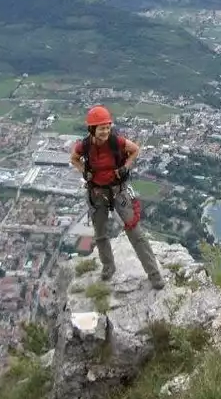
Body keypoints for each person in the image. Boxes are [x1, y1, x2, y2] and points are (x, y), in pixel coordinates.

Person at [70, 105, 165, 289]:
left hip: (118, 191)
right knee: (100, 234)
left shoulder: (116, 142)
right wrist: (84, 171)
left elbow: (135, 149)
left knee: (135, 232)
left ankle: (154, 274)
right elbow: (74, 158)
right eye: (101, 128)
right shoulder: (85, 146)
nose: (105, 131)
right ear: (92, 129)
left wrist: (126, 166)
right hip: (97, 193)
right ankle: (108, 266)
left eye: (107, 127)